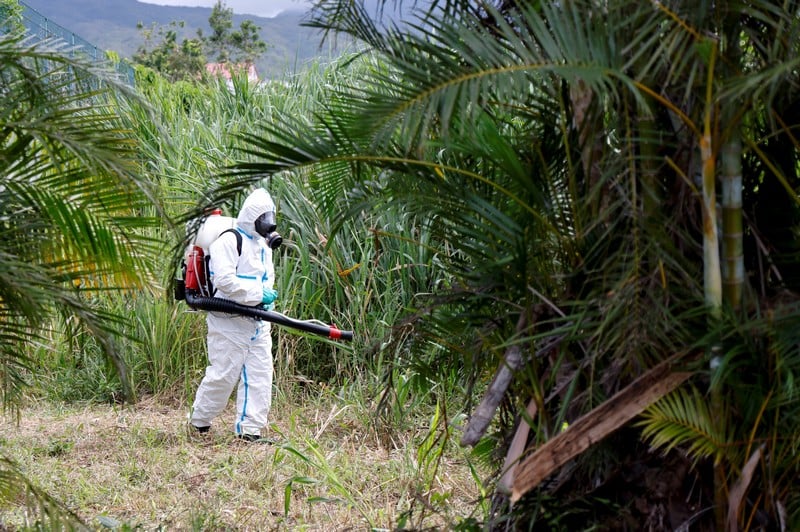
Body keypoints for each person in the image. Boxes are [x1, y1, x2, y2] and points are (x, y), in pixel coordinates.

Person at [190, 188, 280, 442]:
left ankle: (250, 431)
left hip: (258, 322)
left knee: (260, 375)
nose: (268, 222)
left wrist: (265, 300)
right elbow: (225, 281)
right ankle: (199, 422)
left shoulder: (264, 245)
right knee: (223, 375)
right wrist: (258, 294)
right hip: (228, 321)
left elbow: (266, 279)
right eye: (263, 216)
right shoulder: (229, 241)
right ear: (251, 216)